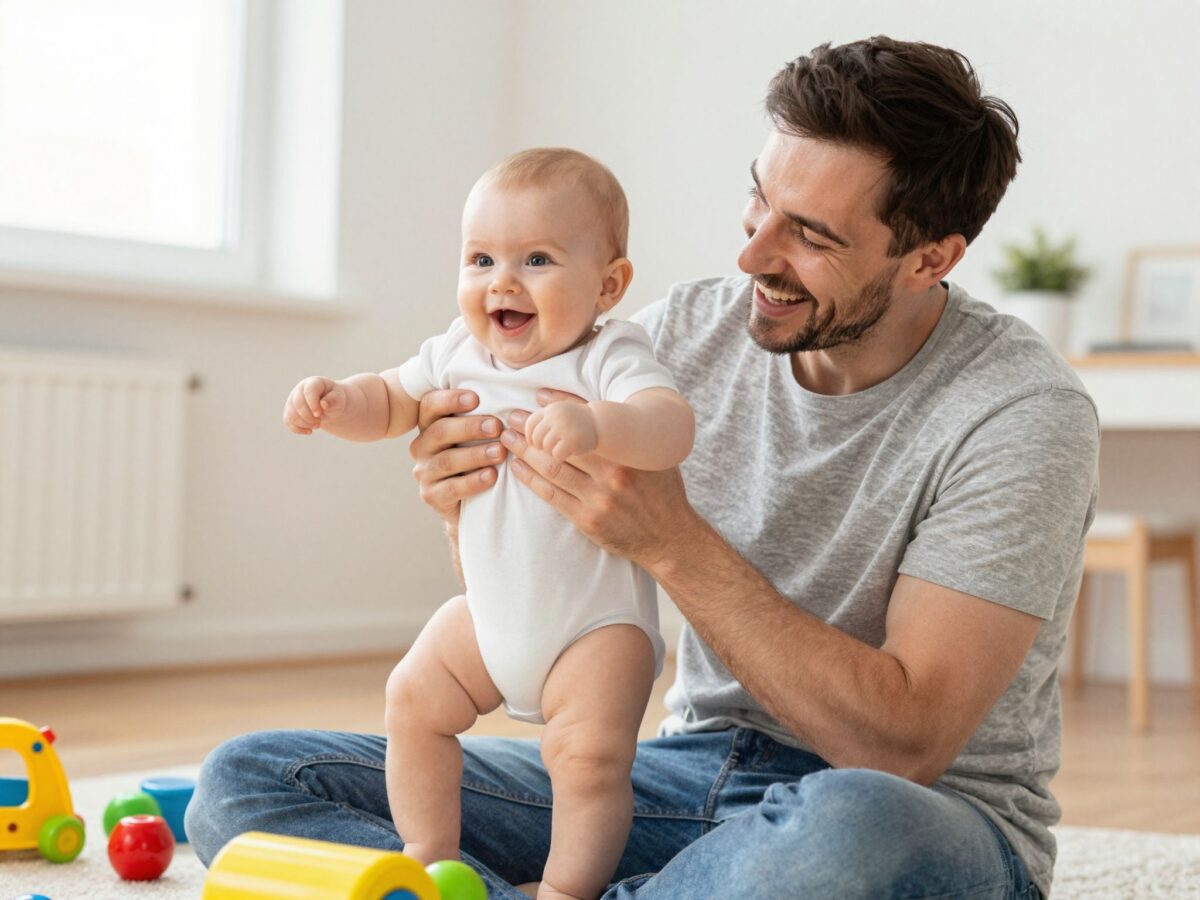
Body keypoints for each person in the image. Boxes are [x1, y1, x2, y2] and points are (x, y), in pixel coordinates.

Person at [187, 36, 1099, 899]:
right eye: (759, 200)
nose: (751, 256)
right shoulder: (682, 334)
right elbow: (538, 585)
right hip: (675, 779)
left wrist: (670, 540)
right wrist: (463, 507)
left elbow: (901, 747)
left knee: (850, 827)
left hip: (915, 821)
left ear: (929, 258)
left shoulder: (1020, 413)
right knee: (251, 781)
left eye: (810, 235)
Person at [279, 147, 694, 900]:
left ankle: (567, 889)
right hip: (491, 616)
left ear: (608, 284)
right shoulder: (458, 353)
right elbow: (392, 399)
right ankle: (429, 855)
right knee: (411, 699)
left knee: (588, 760)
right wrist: (339, 401)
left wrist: (599, 425)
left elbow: (670, 427)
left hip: (595, 632)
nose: (501, 281)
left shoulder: (609, 357)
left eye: (537, 259)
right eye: (480, 259)